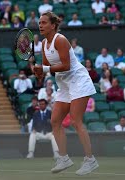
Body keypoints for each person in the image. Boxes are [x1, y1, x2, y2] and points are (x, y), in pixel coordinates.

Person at [33, 12, 99, 175]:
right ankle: (64, 158)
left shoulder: (60, 40)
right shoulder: (43, 44)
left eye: (44, 23)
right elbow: (47, 67)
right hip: (64, 85)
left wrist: (45, 69)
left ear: (53, 25)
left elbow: (66, 66)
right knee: (55, 121)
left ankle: (90, 160)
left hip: (79, 82)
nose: (40, 25)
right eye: (39, 23)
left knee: (76, 121)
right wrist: (39, 72)